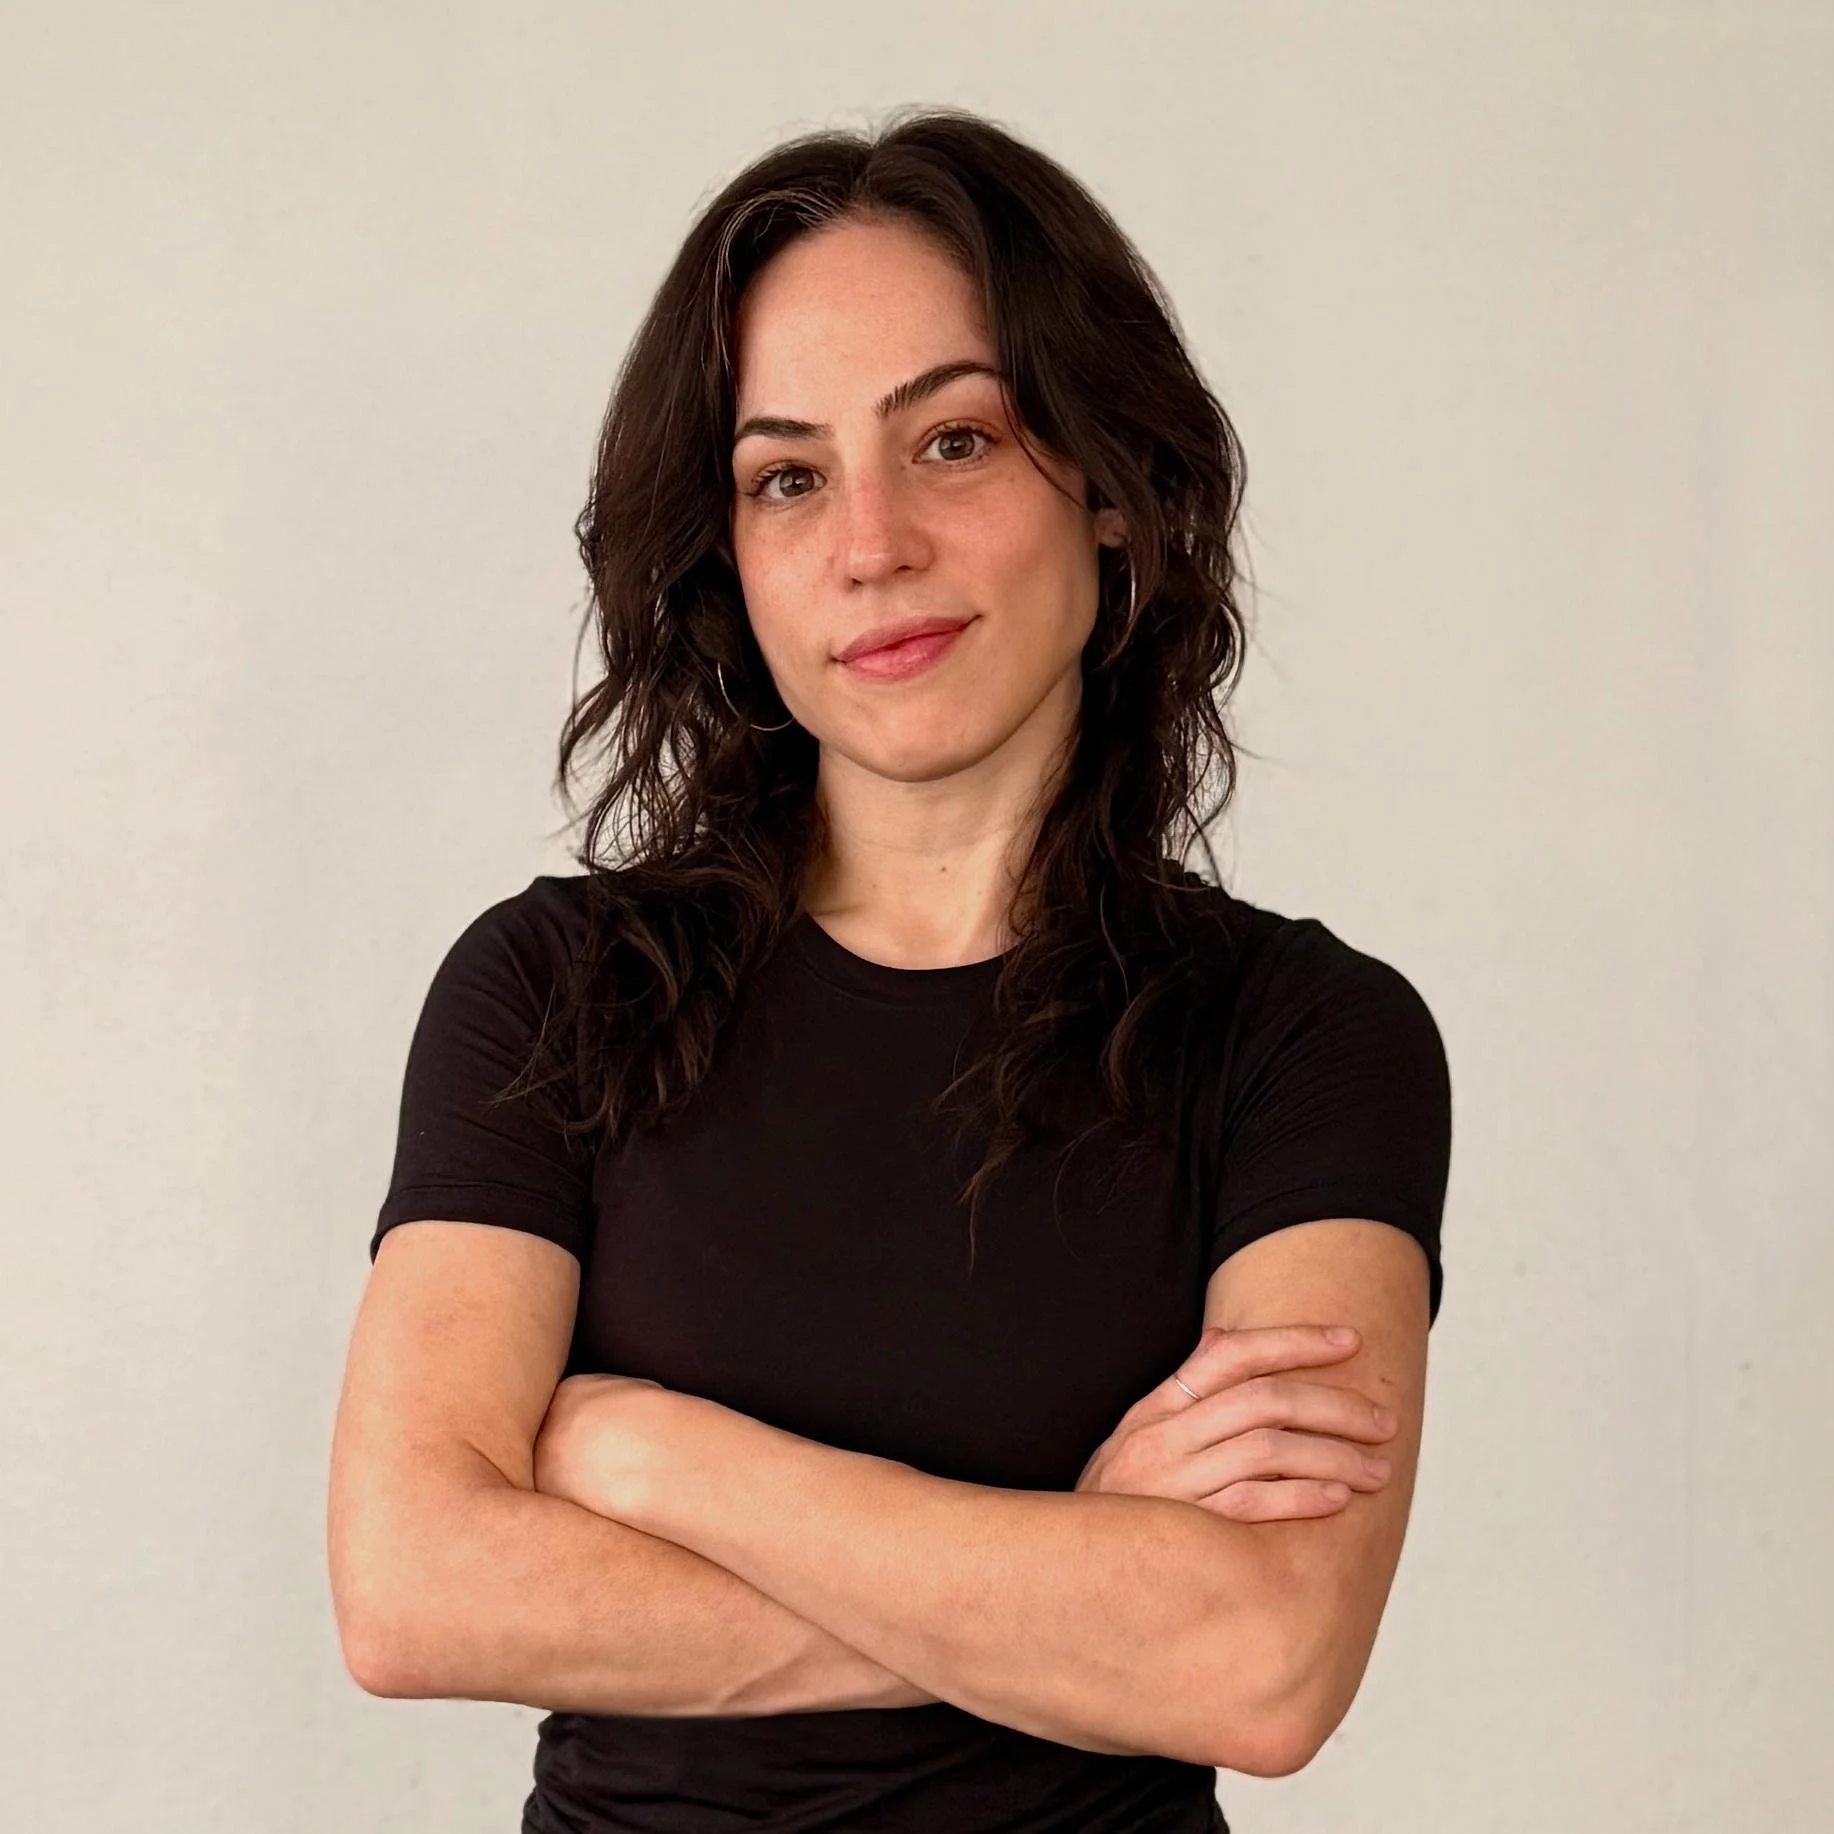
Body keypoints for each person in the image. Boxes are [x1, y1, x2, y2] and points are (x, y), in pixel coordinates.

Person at [327, 105, 1452, 1834]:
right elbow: (412, 1590)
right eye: (786, 477)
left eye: (953, 441)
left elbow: (1260, 1663)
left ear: (1110, 488)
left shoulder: (1301, 1037)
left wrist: (655, 1457)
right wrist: (1078, 1572)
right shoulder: (553, 987)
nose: (870, 544)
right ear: (727, 560)